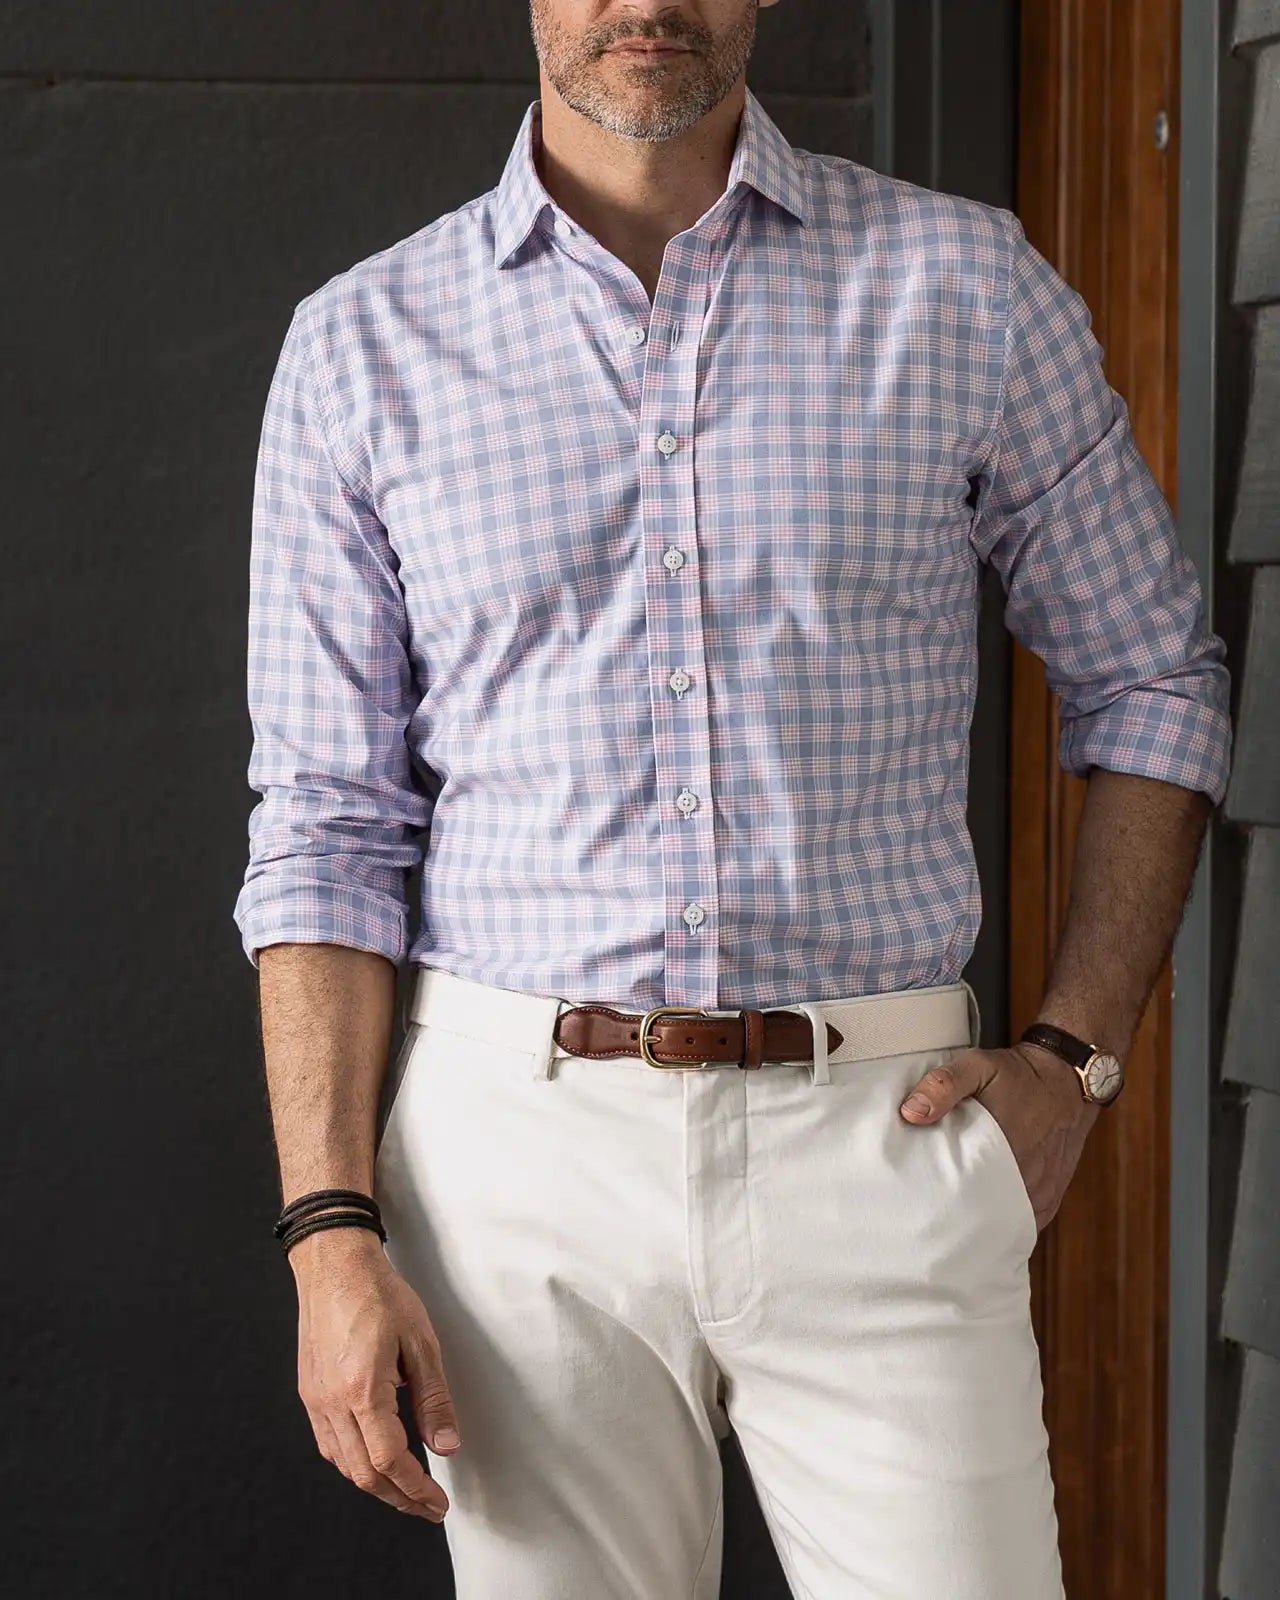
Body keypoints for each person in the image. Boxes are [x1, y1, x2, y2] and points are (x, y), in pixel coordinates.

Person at [232, 2, 1232, 1594]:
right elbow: (327, 829)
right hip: (515, 1180)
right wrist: (328, 1227)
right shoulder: (363, 347)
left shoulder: (962, 291)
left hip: (886, 1144)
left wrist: (1074, 1059)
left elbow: (1156, 679)